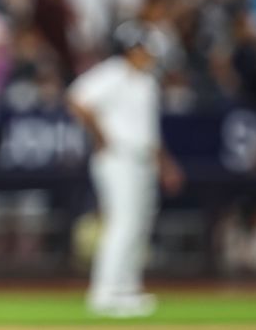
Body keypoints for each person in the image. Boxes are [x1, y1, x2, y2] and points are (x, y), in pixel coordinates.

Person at [67, 20, 184, 318]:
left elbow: (150, 133)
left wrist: (165, 164)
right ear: (131, 48)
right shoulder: (113, 72)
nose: (150, 55)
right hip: (118, 158)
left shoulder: (147, 82)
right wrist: (100, 135)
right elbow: (77, 98)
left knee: (140, 225)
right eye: (144, 49)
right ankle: (104, 292)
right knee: (123, 223)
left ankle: (127, 288)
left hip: (143, 159)